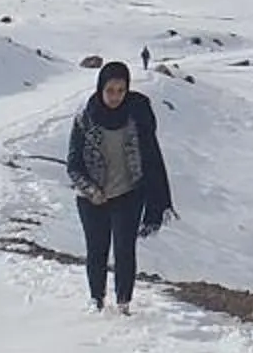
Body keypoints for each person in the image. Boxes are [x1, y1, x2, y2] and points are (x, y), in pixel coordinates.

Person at [63, 62, 175, 313]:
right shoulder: (85, 118)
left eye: (121, 90)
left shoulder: (136, 116)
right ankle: (96, 299)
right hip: (92, 199)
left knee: (125, 250)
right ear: (100, 88)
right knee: (96, 249)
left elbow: (150, 157)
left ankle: (123, 301)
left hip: (128, 194)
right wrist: (92, 190)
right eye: (110, 90)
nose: (115, 96)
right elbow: (73, 164)